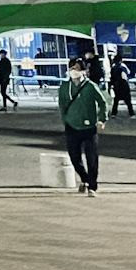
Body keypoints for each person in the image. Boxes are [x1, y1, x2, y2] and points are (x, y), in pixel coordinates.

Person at [56, 57, 107, 196]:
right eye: (72, 68)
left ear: (83, 70)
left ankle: (92, 186)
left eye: (77, 68)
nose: (74, 71)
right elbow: (62, 105)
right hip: (71, 127)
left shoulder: (90, 86)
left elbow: (102, 102)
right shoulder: (65, 87)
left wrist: (102, 119)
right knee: (74, 157)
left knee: (92, 158)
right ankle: (85, 178)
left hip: (89, 128)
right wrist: (65, 120)